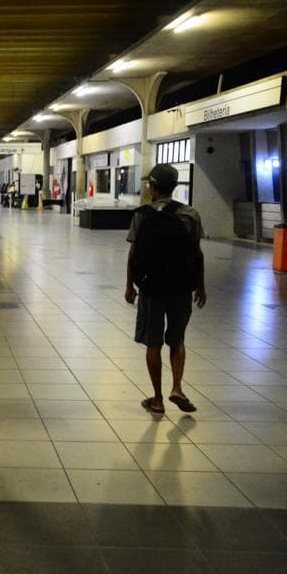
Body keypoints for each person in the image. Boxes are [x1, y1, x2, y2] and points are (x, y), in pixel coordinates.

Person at [124, 164, 206, 415]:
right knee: (177, 339)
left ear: (154, 187)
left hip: (152, 287)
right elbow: (197, 253)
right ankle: (177, 388)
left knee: (153, 343)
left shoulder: (142, 215)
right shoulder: (190, 214)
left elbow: (133, 253)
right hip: (181, 287)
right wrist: (200, 285)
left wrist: (129, 285)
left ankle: (158, 399)